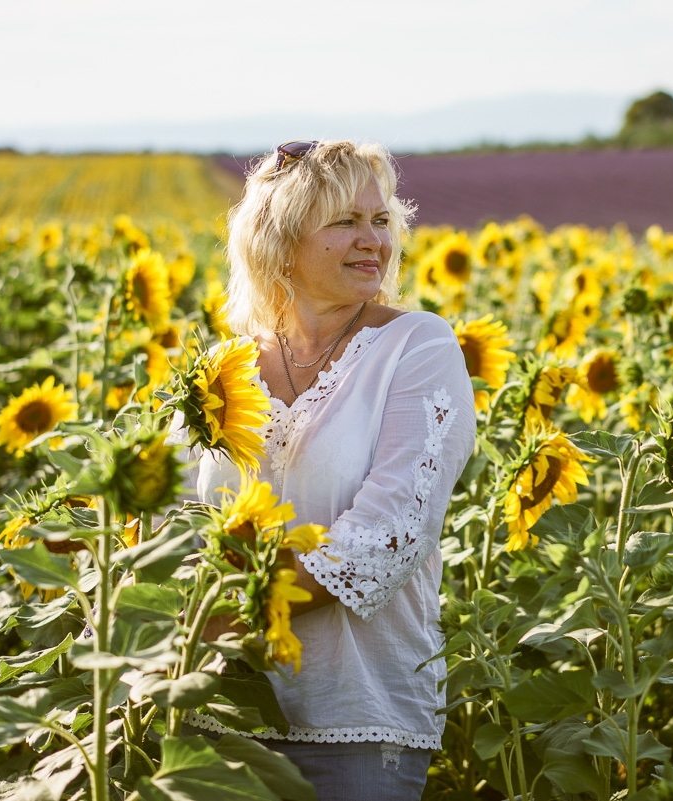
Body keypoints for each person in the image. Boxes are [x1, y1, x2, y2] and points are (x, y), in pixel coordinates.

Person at [180, 140, 476, 800]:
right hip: (217, 711)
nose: (373, 240)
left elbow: (387, 535)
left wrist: (217, 611)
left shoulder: (416, 347)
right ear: (280, 241)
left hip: (356, 721)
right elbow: (176, 524)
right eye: (345, 222)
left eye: (381, 221)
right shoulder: (222, 370)